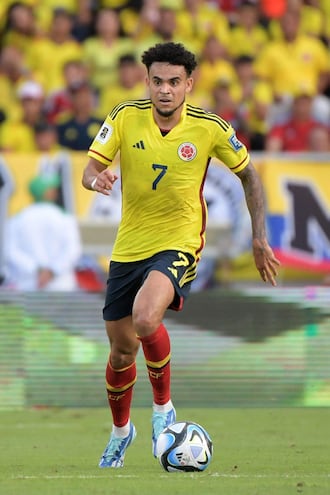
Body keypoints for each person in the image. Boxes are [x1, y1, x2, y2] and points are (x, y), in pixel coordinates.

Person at [81, 41, 280, 469]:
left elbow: (250, 176)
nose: (165, 90)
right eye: (157, 81)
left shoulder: (209, 127)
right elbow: (89, 169)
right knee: (120, 353)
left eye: (174, 82)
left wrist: (259, 238)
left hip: (179, 241)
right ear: (147, 81)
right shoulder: (123, 116)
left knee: (146, 317)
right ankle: (121, 432)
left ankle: (162, 411)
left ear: (189, 83)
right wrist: (96, 179)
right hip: (129, 246)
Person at [4, 173, 82, 291]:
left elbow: (11, 252)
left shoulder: (17, 219)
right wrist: (52, 271)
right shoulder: (65, 218)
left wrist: (37, 270)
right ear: (50, 192)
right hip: (61, 286)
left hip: (27, 285)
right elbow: (73, 250)